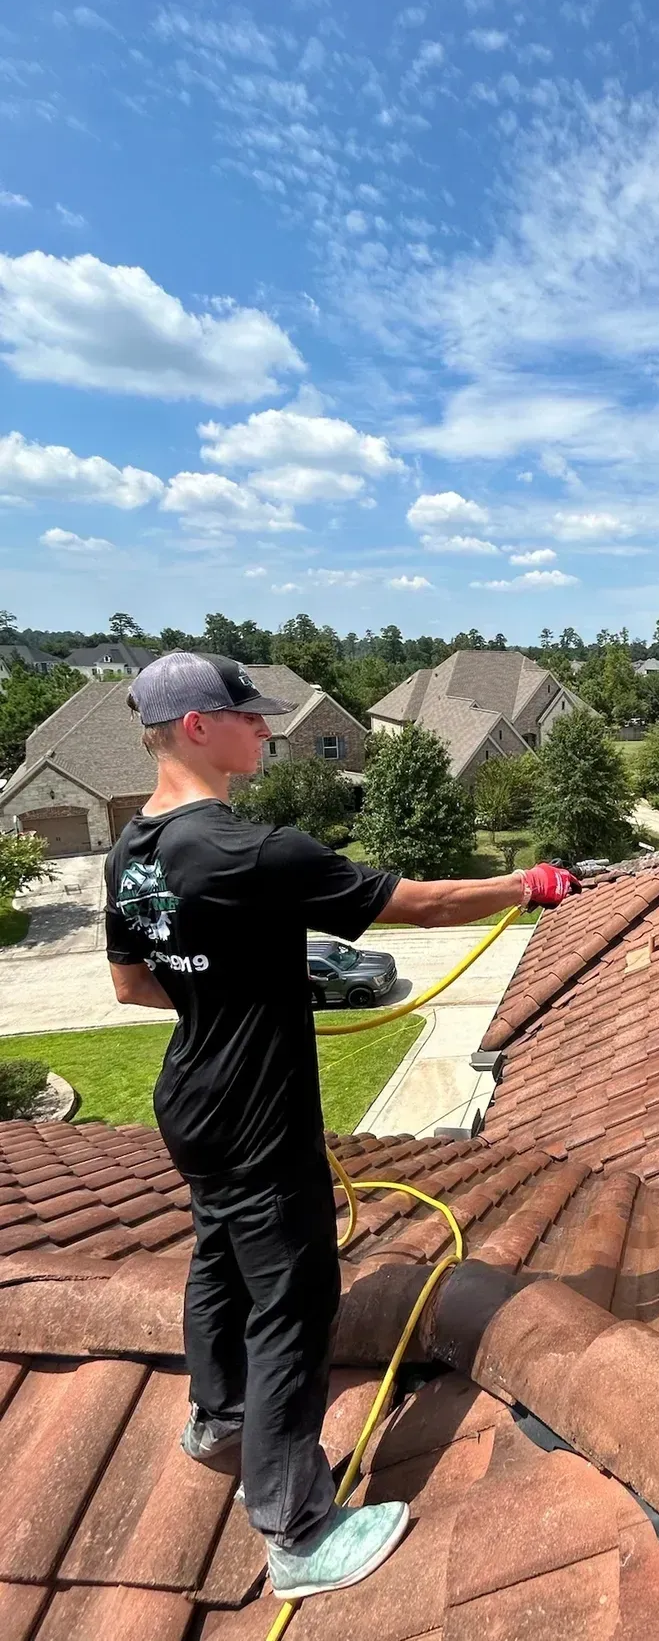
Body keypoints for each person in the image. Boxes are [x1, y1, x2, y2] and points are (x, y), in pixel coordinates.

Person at [104, 651, 579, 1601]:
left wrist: (224, 992)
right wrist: (527, 887)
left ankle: (217, 1416)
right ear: (197, 726)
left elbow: (132, 984)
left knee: (218, 1253)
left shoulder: (133, 848)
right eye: (248, 718)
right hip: (256, 1110)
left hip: (191, 1099)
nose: (266, 730)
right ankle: (297, 1531)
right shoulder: (248, 849)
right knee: (293, 1301)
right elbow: (421, 902)